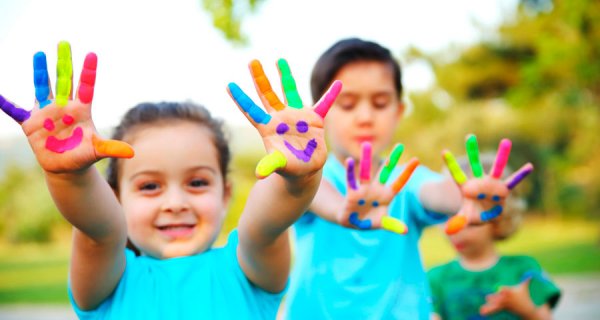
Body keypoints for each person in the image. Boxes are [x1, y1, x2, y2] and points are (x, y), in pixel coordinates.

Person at [0, 41, 341, 319]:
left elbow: (264, 227)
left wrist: (297, 181)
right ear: (115, 198)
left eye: (197, 183)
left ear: (226, 194)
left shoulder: (246, 273)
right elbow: (99, 233)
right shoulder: (108, 283)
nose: (176, 203)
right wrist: (71, 175)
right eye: (149, 186)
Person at [284, 38, 533, 319]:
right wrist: (340, 209)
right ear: (321, 113)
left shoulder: (405, 180)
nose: (365, 117)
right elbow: (311, 190)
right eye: (348, 104)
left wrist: (464, 196)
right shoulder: (309, 177)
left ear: (398, 111)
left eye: (380, 103)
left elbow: (436, 192)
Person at [428, 154, 561, 320]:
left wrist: (526, 308)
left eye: (470, 221)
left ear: (498, 220)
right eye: (447, 216)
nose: (454, 229)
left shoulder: (523, 270)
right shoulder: (435, 278)